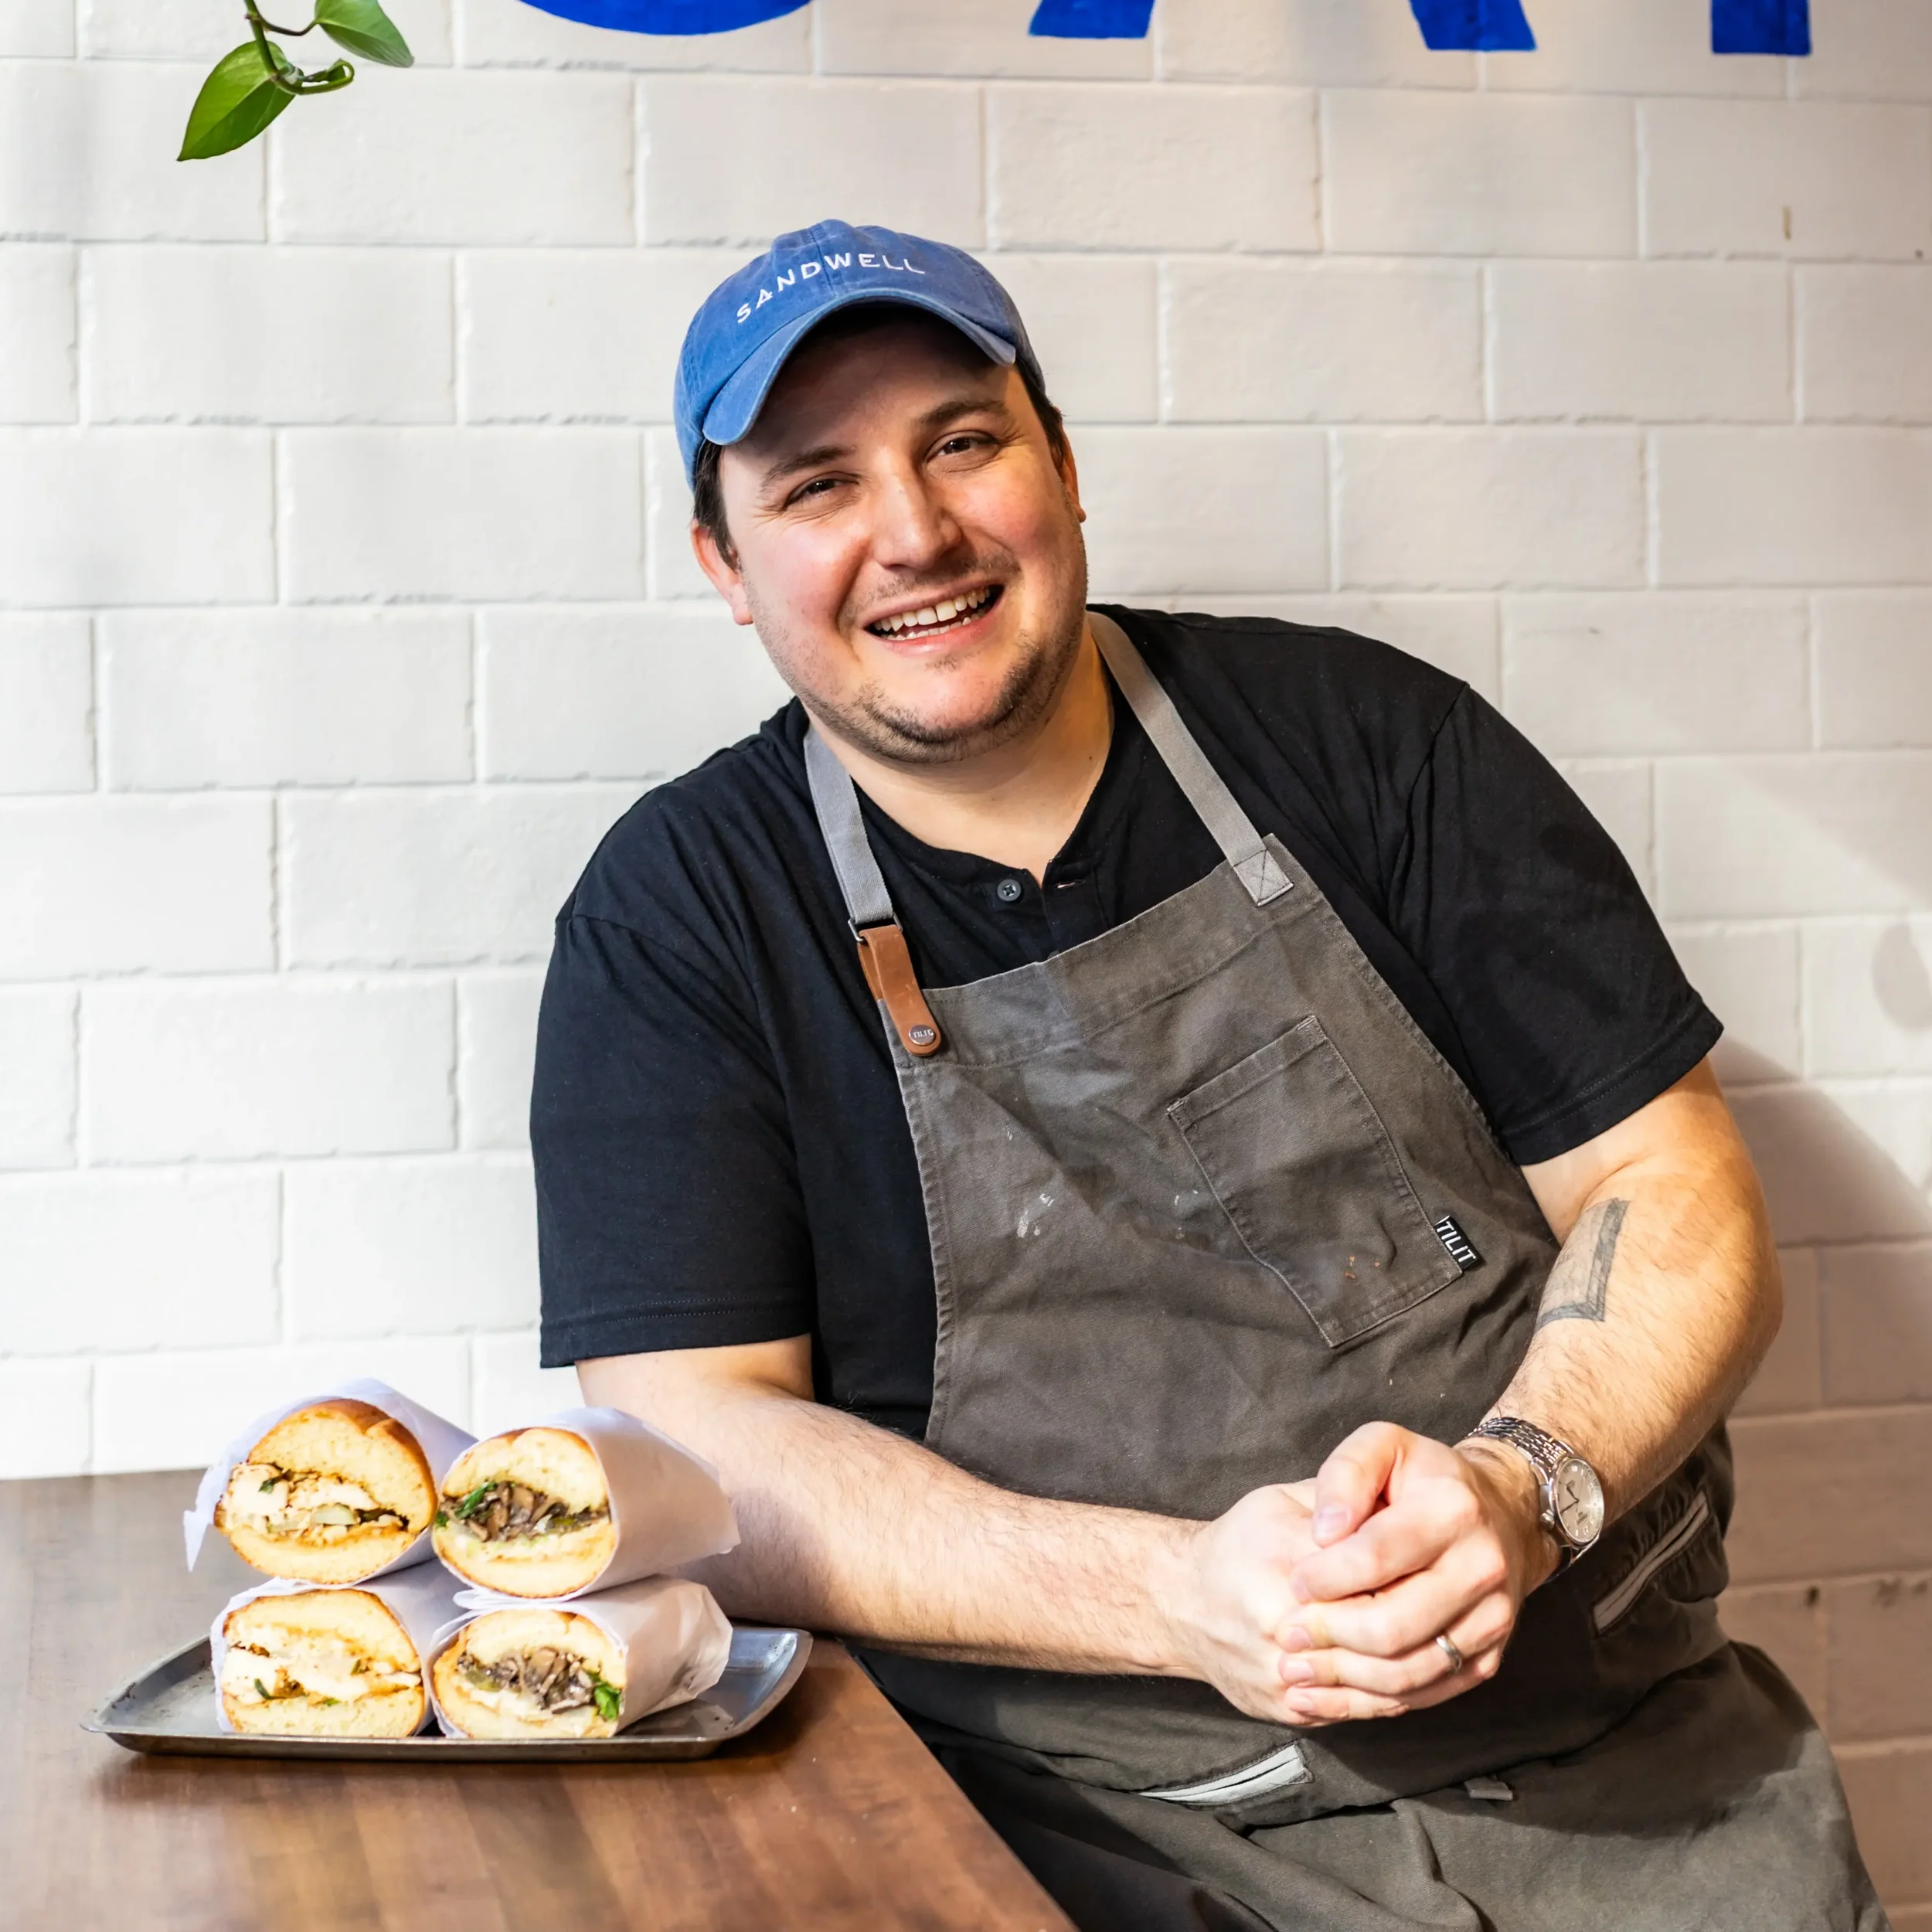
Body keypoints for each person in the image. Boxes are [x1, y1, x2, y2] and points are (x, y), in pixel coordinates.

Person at [532, 220, 1886, 1930]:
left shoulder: (1375, 745)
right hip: (1083, 1830)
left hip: (1619, 1781)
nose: (914, 531)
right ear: (725, 563)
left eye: (962, 439)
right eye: (815, 485)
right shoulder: (686, 914)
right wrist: (1174, 1594)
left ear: (1062, 463)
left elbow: (1669, 1177)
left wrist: (1519, 1485)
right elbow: (683, 1427)